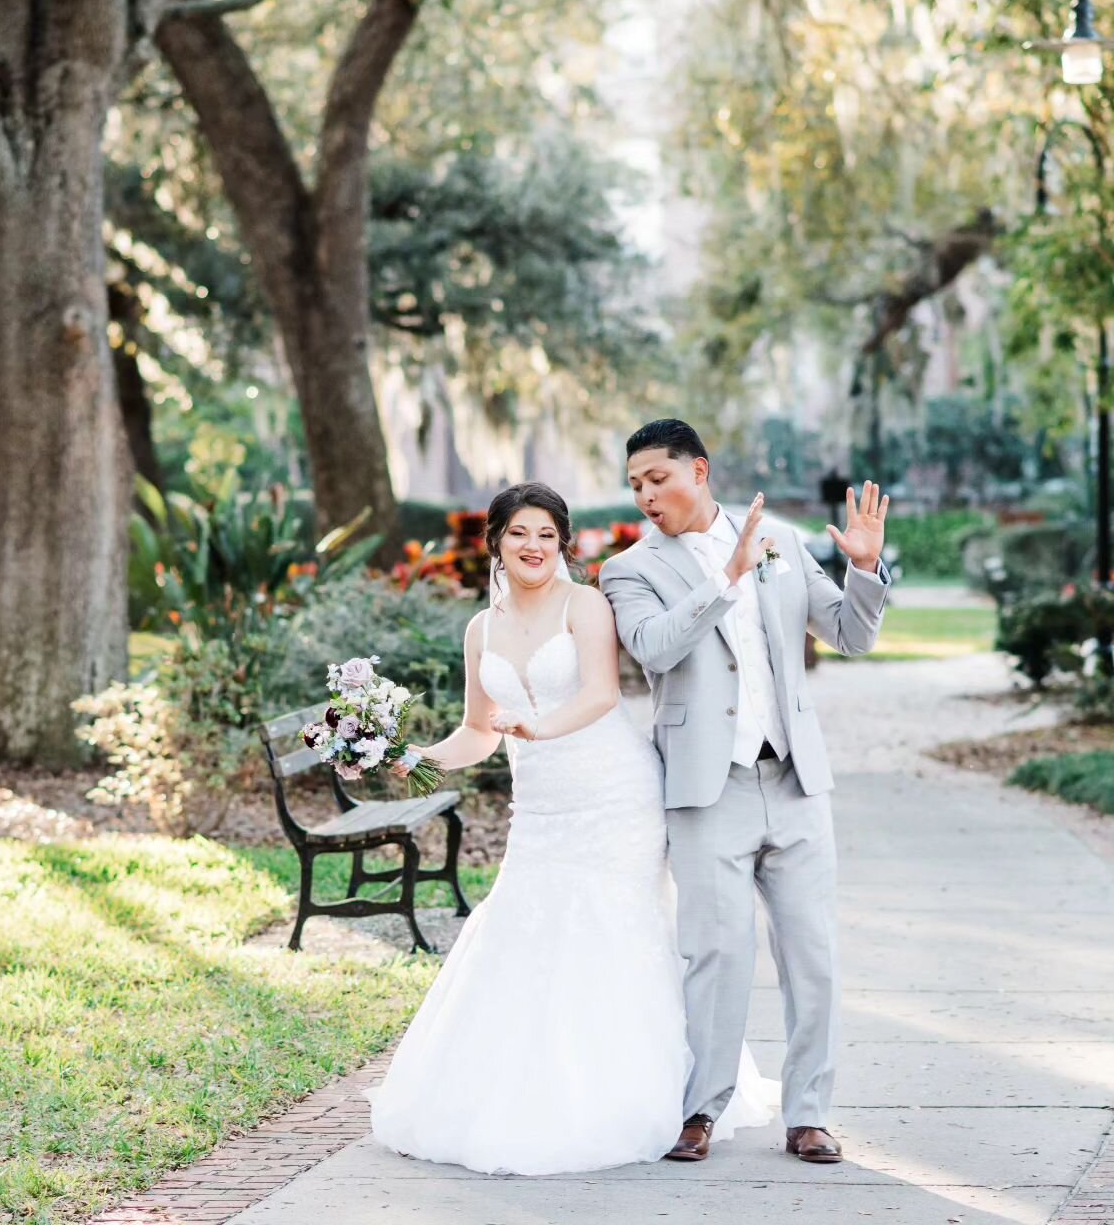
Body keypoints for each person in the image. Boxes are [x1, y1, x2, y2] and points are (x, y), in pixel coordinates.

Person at [367, 480, 776, 1177]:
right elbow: (477, 732)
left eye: (547, 535)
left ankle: (641, 1097)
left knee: (613, 932)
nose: (533, 547)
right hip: (542, 812)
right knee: (526, 931)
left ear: (563, 544)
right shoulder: (482, 629)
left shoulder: (584, 605)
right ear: (495, 541)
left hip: (615, 797)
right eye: (520, 533)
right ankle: (525, 1095)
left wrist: (539, 726)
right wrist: (412, 757)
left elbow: (600, 694)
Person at [599, 419, 890, 1165]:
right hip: (706, 788)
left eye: (656, 479)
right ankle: (701, 1109)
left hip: (794, 779)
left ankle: (809, 1115)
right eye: (635, 485)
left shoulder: (783, 542)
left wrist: (864, 569)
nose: (645, 496)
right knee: (715, 954)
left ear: (699, 470)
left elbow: (851, 637)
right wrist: (723, 578)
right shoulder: (629, 571)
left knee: (812, 956)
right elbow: (656, 648)